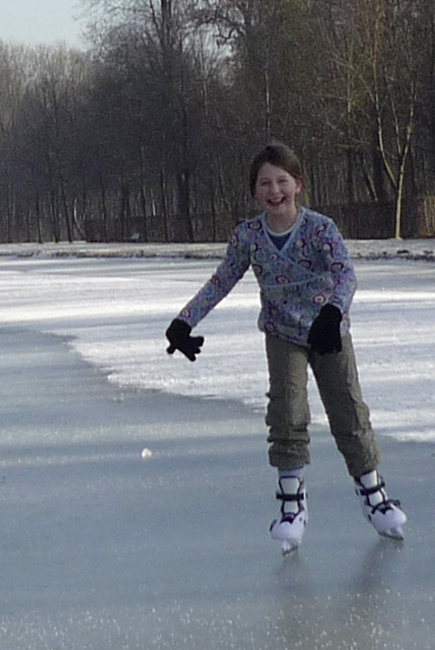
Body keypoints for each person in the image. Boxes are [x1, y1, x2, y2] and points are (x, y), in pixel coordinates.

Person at [166, 141, 406, 550]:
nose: (274, 191)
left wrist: (333, 312)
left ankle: (374, 495)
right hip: (283, 334)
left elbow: (345, 274)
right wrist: (183, 322)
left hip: (327, 332)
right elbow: (221, 281)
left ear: (298, 184)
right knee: (287, 411)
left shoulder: (320, 229)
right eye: (264, 183)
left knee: (348, 409)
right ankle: (292, 504)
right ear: (254, 190)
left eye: (282, 181)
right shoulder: (248, 237)